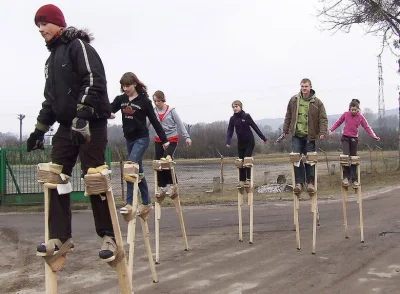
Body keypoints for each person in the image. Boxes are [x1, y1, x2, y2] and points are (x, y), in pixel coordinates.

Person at [28, 4, 117, 261]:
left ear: (58, 24)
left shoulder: (78, 47)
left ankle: (109, 236)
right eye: (38, 26)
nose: (41, 29)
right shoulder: (50, 60)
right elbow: (50, 100)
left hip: (91, 121)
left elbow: (94, 80)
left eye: (44, 23)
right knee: (54, 178)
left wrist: (82, 115)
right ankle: (60, 238)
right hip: (67, 126)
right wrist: (39, 129)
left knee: (94, 177)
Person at [110, 73, 169, 215]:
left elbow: (154, 121)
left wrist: (164, 139)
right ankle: (147, 203)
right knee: (139, 172)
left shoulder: (144, 101)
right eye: (123, 86)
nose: (125, 89)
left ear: (134, 84)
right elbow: (109, 108)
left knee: (130, 167)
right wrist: (106, 113)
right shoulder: (121, 99)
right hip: (129, 139)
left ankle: (130, 204)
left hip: (141, 139)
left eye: (128, 86)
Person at [282, 78, 328, 194]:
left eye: (306, 86)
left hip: (309, 136)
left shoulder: (317, 102)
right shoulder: (294, 100)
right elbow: (288, 115)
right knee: (296, 159)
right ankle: (299, 183)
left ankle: (310, 183)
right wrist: (285, 130)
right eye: (302, 86)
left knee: (310, 160)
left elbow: (323, 119)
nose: (304, 89)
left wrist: (322, 132)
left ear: (310, 87)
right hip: (297, 135)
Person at [329, 99, 380, 188]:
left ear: (358, 109)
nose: (353, 111)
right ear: (349, 109)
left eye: (355, 110)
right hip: (345, 137)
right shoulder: (346, 114)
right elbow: (338, 122)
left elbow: (367, 127)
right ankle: (346, 176)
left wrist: (374, 136)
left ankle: (354, 178)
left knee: (353, 158)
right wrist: (330, 130)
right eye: (352, 110)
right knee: (345, 156)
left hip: (354, 138)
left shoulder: (360, 117)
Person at [151, 90, 192, 197]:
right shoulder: (153, 111)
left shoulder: (171, 111)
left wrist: (187, 137)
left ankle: (172, 184)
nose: (157, 103)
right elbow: (147, 123)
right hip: (159, 139)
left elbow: (180, 124)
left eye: (159, 101)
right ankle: (162, 186)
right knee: (158, 162)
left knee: (166, 159)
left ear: (163, 100)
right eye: (155, 101)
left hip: (171, 138)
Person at [226, 100, 267, 188]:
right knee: (240, 162)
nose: (235, 108)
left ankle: (248, 180)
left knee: (247, 160)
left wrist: (263, 137)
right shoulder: (232, 119)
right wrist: (228, 141)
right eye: (233, 107)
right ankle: (242, 180)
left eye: (236, 106)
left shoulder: (246, 116)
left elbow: (255, 127)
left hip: (249, 141)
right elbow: (230, 130)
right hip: (240, 143)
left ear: (240, 107)